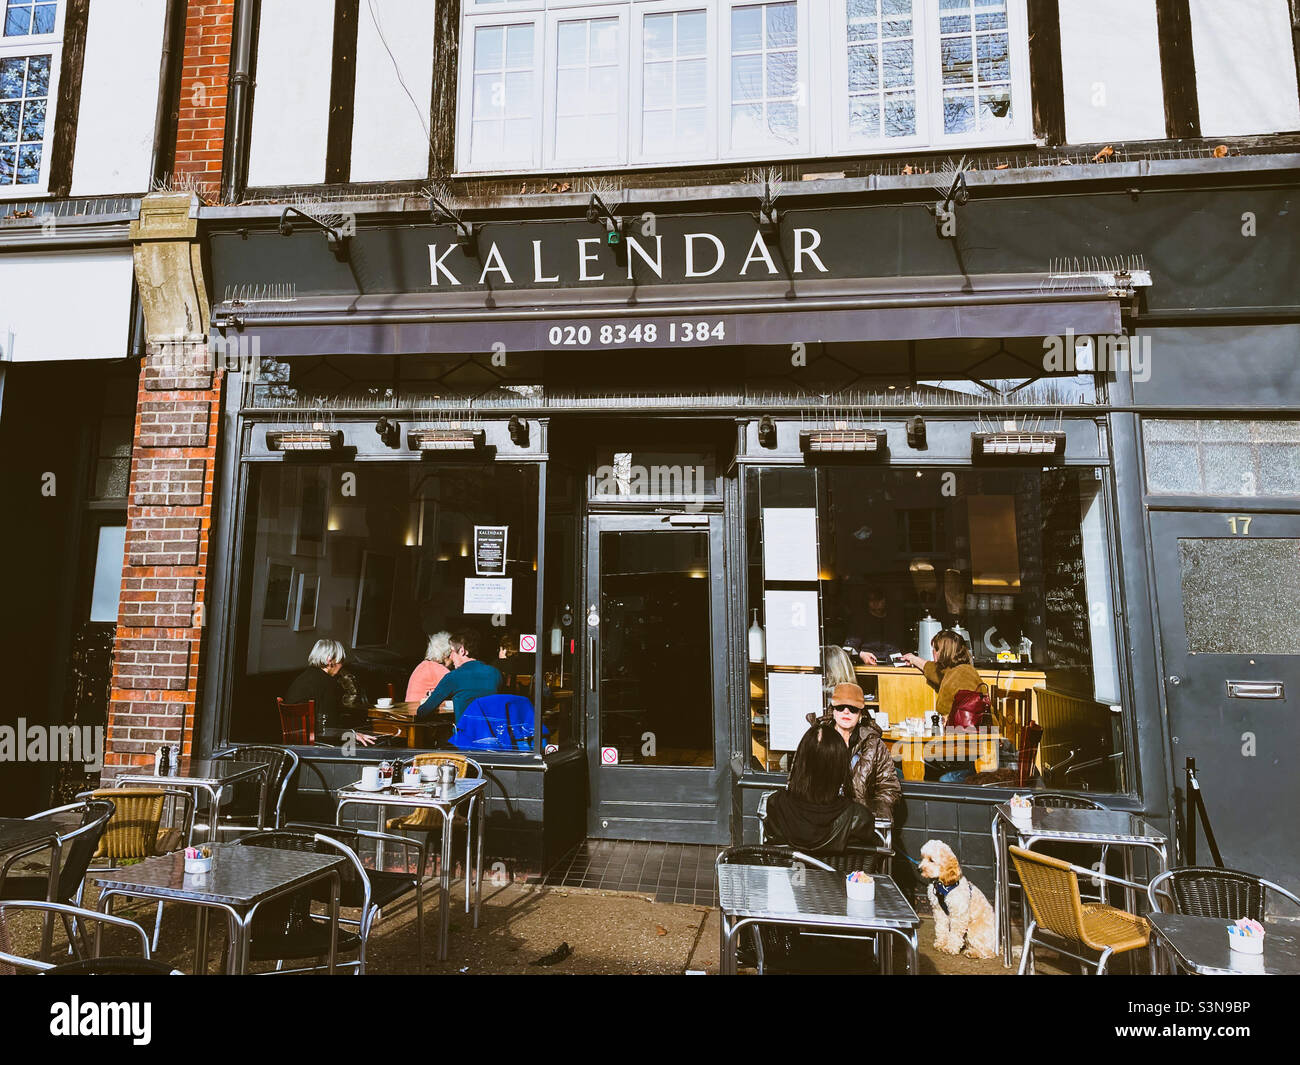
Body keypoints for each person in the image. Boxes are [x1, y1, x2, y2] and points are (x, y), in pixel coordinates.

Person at [765, 719, 879, 854]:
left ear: (800, 762)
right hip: (838, 875)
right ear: (839, 768)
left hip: (791, 874)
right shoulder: (858, 818)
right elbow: (869, 861)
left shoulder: (776, 806)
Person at [827, 682, 900, 820]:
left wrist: (871, 815)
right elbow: (799, 781)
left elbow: (889, 788)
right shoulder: (817, 739)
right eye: (841, 707)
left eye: (853, 708)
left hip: (860, 821)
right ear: (833, 710)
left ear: (861, 714)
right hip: (822, 819)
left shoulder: (874, 745)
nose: (846, 712)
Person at [285, 638, 375, 746]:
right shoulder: (326, 683)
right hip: (319, 745)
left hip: (296, 745)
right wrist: (352, 734)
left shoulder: (304, 677)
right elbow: (327, 728)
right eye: (341, 661)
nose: (342, 665)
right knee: (363, 744)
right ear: (329, 660)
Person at [414, 629, 503, 723]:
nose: (451, 657)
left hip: (466, 735)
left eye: (452, 651)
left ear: (462, 651)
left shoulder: (453, 677)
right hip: (493, 734)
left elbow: (423, 712)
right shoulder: (496, 673)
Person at [901, 629, 983, 721]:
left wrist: (933, 721)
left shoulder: (963, 674)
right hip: (960, 729)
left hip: (970, 732)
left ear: (943, 651)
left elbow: (968, 713)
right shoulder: (953, 671)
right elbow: (933, 669)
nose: (933, 652)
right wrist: (913, 659)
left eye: (935, 649)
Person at [844, 587, 904, 665]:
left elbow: (901, 646)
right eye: (871, 600)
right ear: (867, 602)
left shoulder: (893, 621)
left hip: (893, 666)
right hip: (868, 666)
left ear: (884, 600)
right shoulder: (861, 621)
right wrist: (861, 654)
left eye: (878, 599)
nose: (875, 602)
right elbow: (848, 647)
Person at [405, 631, 452, 703]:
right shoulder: (438, 669)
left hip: (411, 709)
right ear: (446, 654)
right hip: (421, 711)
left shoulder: (423, 665)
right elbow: (460, 688)